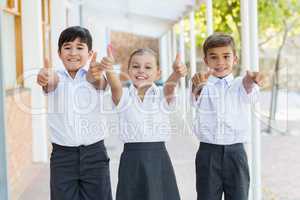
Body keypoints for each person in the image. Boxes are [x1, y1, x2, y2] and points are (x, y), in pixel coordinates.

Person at [91, 47, 186, 200]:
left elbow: (170, 85)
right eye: (135, 66)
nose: (141, 70)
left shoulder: (162, 95)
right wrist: (109, 69)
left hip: (158, 158)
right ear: (128, 71)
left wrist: (176, 74)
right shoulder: (124, 96)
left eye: (148, 67)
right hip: (131, 159)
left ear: (158, 73)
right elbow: (115, 86)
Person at [37, 26, 112, 200]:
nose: (73, 53)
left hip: (95, 154)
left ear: (90, 53)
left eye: (80, 48)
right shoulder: (55, 77)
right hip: (63, 157)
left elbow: (99, 83)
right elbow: (50, 83)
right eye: (67, 47)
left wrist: (96, 74)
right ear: (59, 52)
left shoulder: (93, 77)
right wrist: (44, 77)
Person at [191, 33, 264, 200]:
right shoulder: (201, 83)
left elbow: (248, 89)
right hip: (208, 152)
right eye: (214, 57)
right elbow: (195, 97)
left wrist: (250, 80)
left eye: (226, 56)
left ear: (235, 59)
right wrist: (198, 86)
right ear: (206, 60)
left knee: (239, 196)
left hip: (236, 153)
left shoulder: (240, 83)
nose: (220, 62)